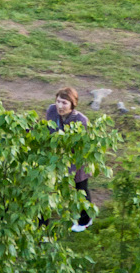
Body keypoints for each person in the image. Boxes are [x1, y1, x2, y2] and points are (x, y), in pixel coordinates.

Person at [44, 88, 92, 231]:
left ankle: (85, 220)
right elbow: (48, 130)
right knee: (45, 188)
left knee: (81, 188)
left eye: (64, 103)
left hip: (77, 159)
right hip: (56, 157)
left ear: (73, 104)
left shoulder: (81, 120)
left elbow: (81, 146)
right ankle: (42, 224)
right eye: (58, 101)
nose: (60, 106)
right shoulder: (51, 111)